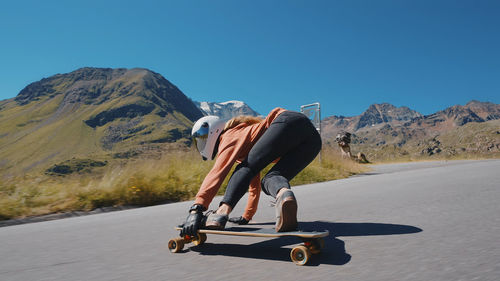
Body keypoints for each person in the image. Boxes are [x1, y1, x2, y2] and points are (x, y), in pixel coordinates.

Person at [180, 108, 322, 237]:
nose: (202, 142)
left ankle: (221, 213)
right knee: (272, 178)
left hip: (286, 120)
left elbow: (218, 171)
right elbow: (253, 183)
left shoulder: (229, 135)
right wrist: (247, 216)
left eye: (202, 137)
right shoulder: (245, 137)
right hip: (312, 140)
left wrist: (197, 208)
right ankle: (284, 194)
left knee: (244, 169)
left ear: (213, 130)